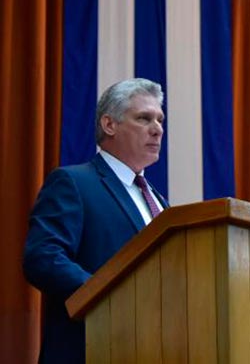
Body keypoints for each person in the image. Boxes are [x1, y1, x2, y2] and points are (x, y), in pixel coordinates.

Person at [23, 78, 169, 363]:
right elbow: (43, 257)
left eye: (160, 120)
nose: (158, 129)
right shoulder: (73, 182)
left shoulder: (159, 201)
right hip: (88, 349)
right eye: (144, 118)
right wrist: (110, 296)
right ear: (109, 125)